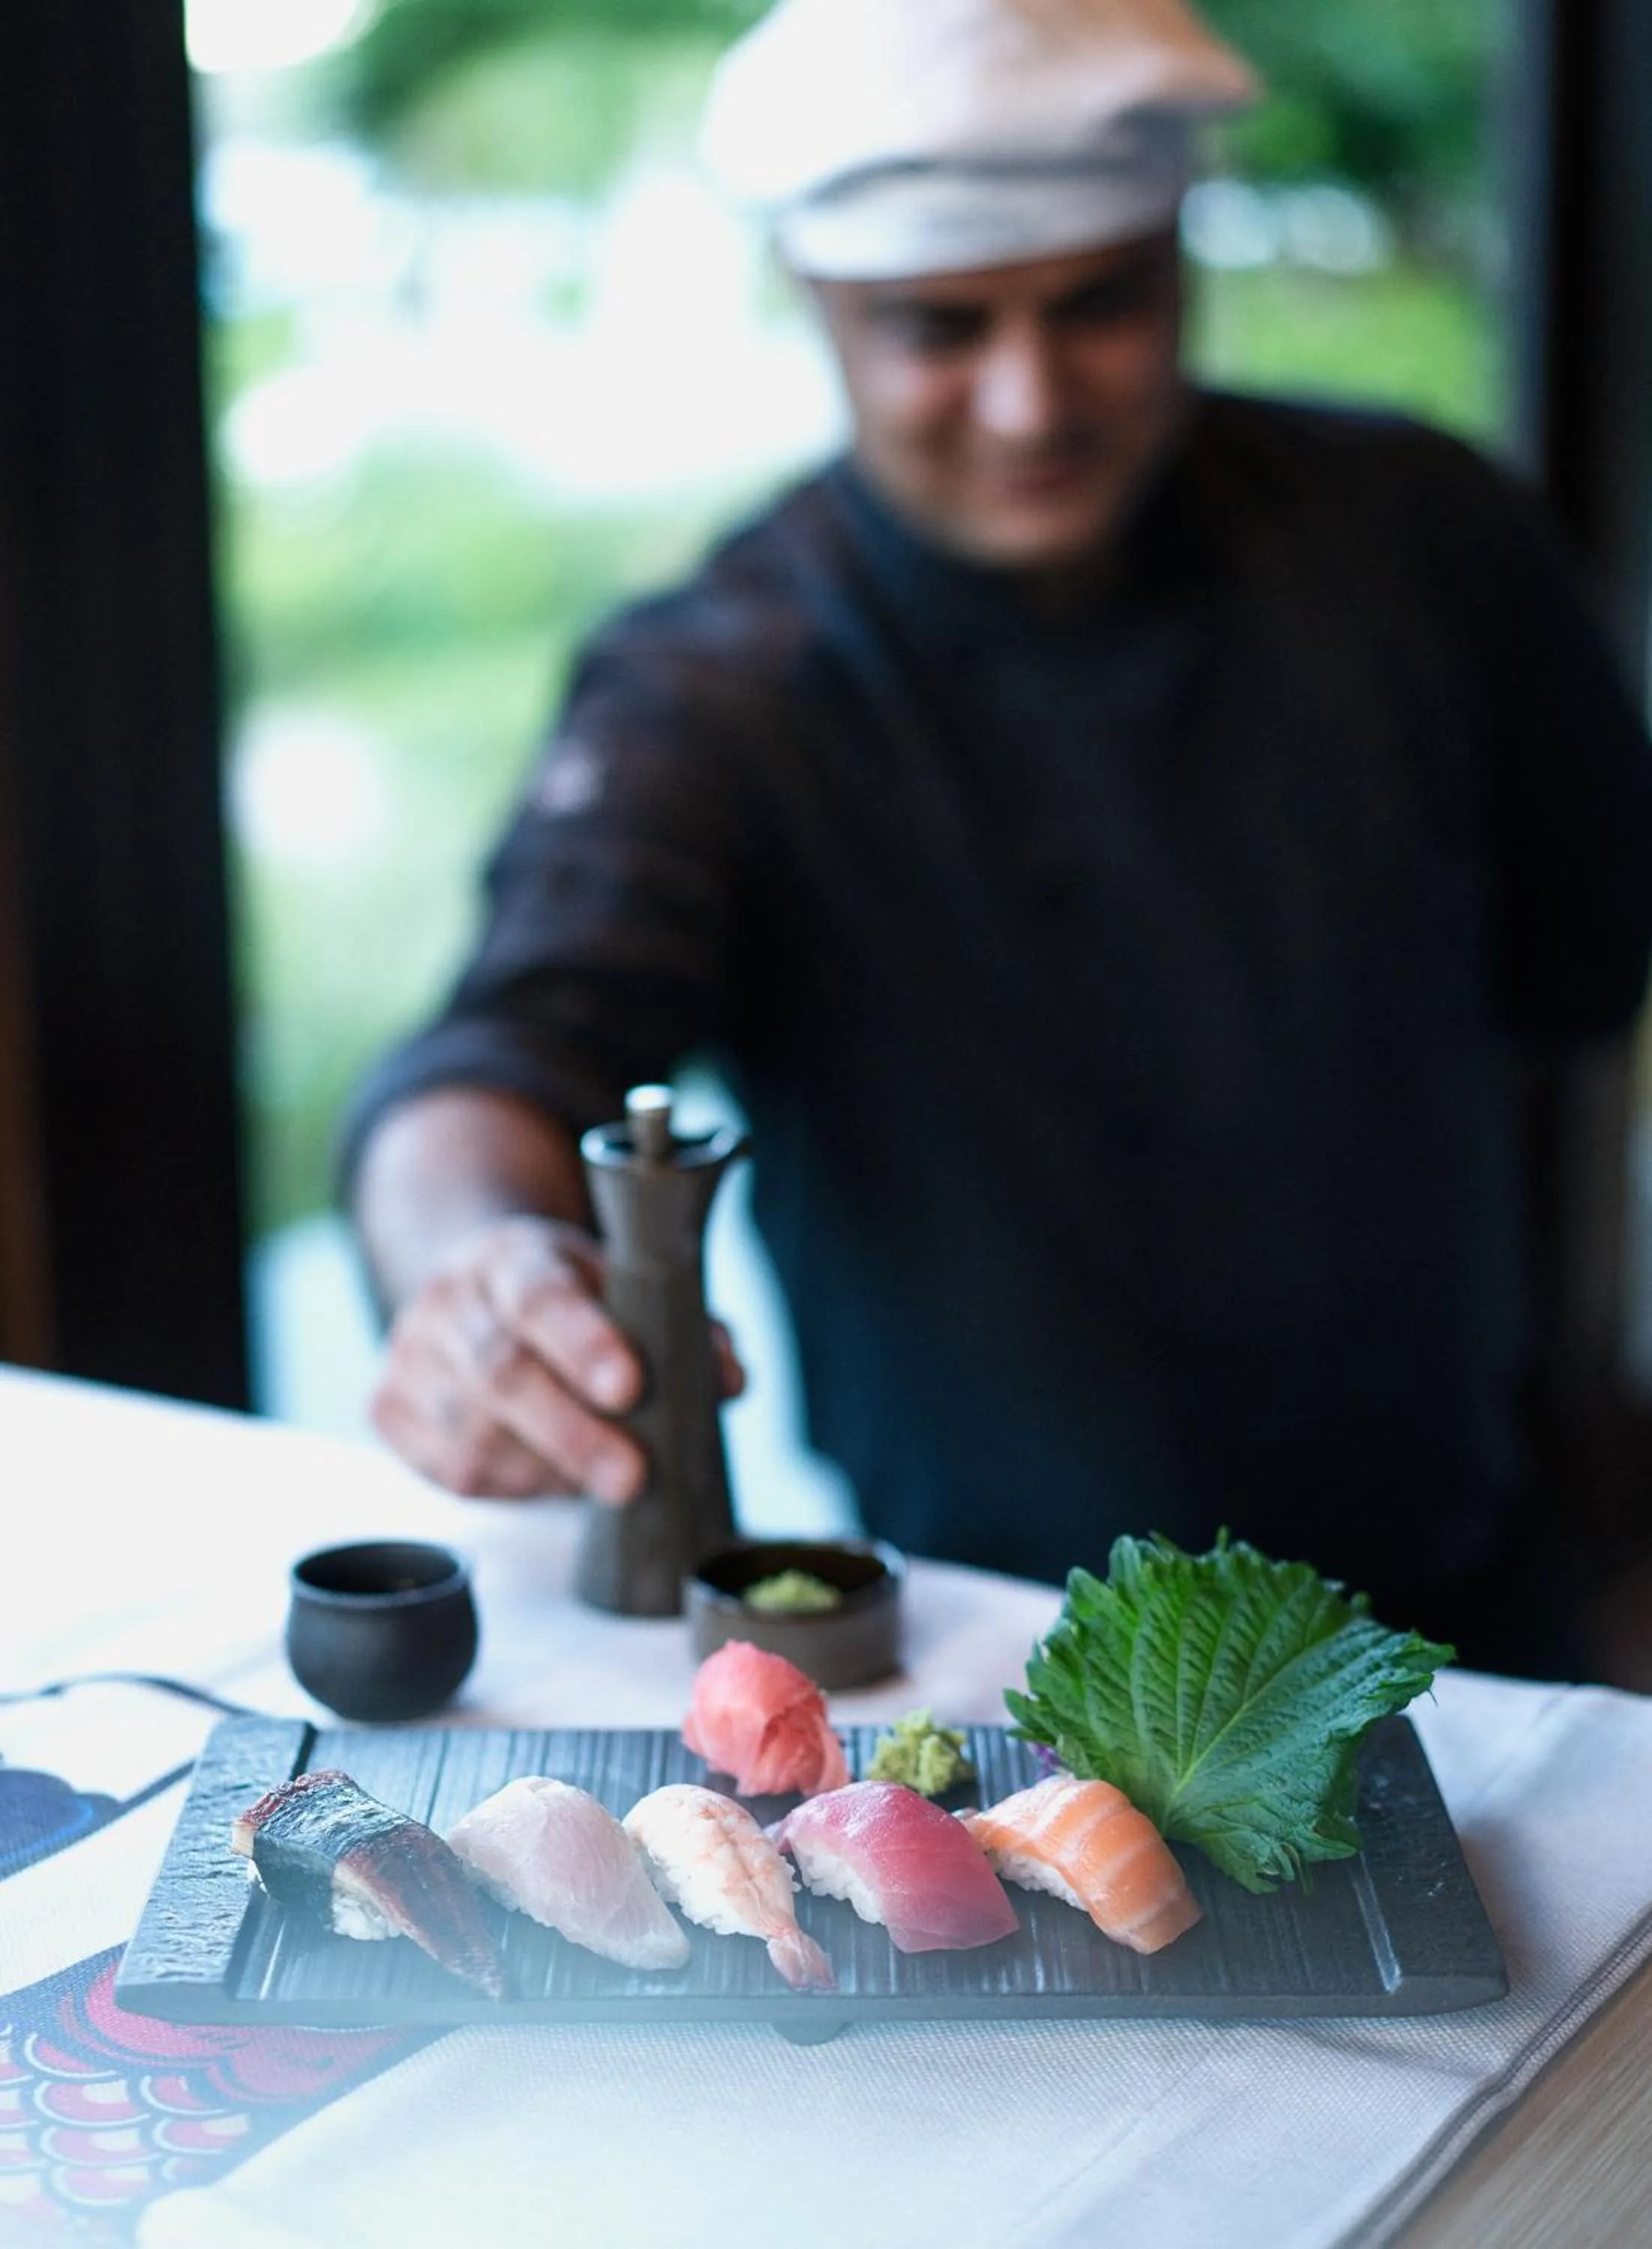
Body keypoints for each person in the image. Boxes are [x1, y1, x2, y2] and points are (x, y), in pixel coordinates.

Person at [343, 0, 1652, 1676]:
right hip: (977, 1630)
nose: (1030, 402)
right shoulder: (724, 684)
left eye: (1098, 304)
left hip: (1472, 1569)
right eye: (937, 329)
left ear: (1180, 253)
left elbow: (1586, 957)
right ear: (820, 311)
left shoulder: (1427, 532)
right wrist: (474, 1274)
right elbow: (498, 1061)